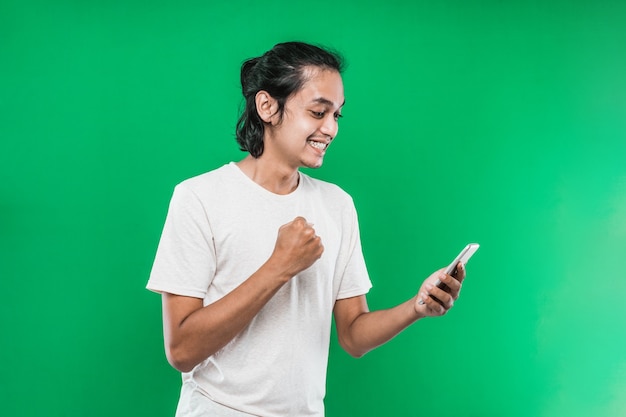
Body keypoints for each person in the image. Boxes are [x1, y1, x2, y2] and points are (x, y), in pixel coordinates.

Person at [147, 41, 467, 417]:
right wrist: (278, 267)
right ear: (267, 106)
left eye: (337, 115)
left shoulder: (337, 205)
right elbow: (182, 350)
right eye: (318, 112)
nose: (330, 129)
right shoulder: (199, 198)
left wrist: (416, 307)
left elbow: (353, 335)